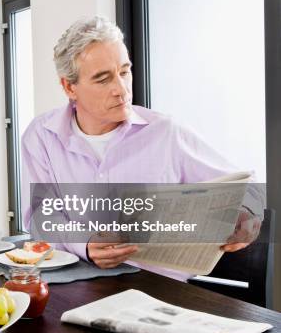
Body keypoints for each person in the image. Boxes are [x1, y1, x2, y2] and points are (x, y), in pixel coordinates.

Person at [21, 16, 263, 281]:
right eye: (103, 79)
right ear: (69, 87)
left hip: (161, 293)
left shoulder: (165, 132)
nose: (121, 89)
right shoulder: (41, 136)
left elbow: (245, 185)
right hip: (79, 286)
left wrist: (247, 217)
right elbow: (40, 218)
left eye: (124, 72)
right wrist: (85, 244)